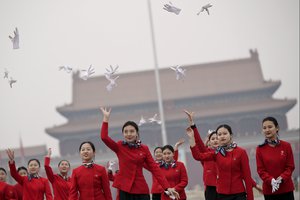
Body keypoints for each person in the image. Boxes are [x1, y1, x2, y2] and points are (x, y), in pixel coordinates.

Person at [100, 107, 179, 200]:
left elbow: (155, 169)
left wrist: (167, 187)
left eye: (132, 131)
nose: (129, 134)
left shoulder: (144, 148)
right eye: (126, 132)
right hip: (125, 190)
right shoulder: (119, 146)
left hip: (141, 189)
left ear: (137, 133)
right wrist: (106, 119)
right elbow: (104, 137)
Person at [186, 124, 254, 200]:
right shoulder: (216, 153)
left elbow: (247, 177)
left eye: (225, 134)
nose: (222, 136)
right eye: (219, 134)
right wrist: (192, 139)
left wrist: (250, 198)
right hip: (222, 195)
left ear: (231, 135)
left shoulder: (241, 152)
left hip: (239, 194)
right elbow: (198, 156)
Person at [256, 116, 295, 200]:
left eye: (270, 127)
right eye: (264, 128)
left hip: (286, 189)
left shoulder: (286, 146)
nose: (267, 130)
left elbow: (290, 166)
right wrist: (271, 180)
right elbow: (260, 170)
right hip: (270, 191)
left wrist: (281, 178)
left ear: (277, 128)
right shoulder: (260, 149)